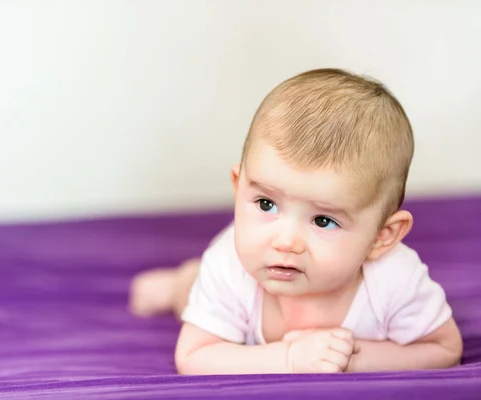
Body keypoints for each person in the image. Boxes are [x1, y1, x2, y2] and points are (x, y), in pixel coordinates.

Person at [129, 68, 463, 374]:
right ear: (238, 186)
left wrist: (346, 357)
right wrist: (291, 359)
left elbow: (444, 348)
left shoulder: (394, 279)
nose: (285, 241)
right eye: (265, 203)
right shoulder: (230, 265)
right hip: (215, 282)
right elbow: (194, 356)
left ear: (382, 237)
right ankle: (181, 282)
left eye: (323, 221)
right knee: (193, 291)